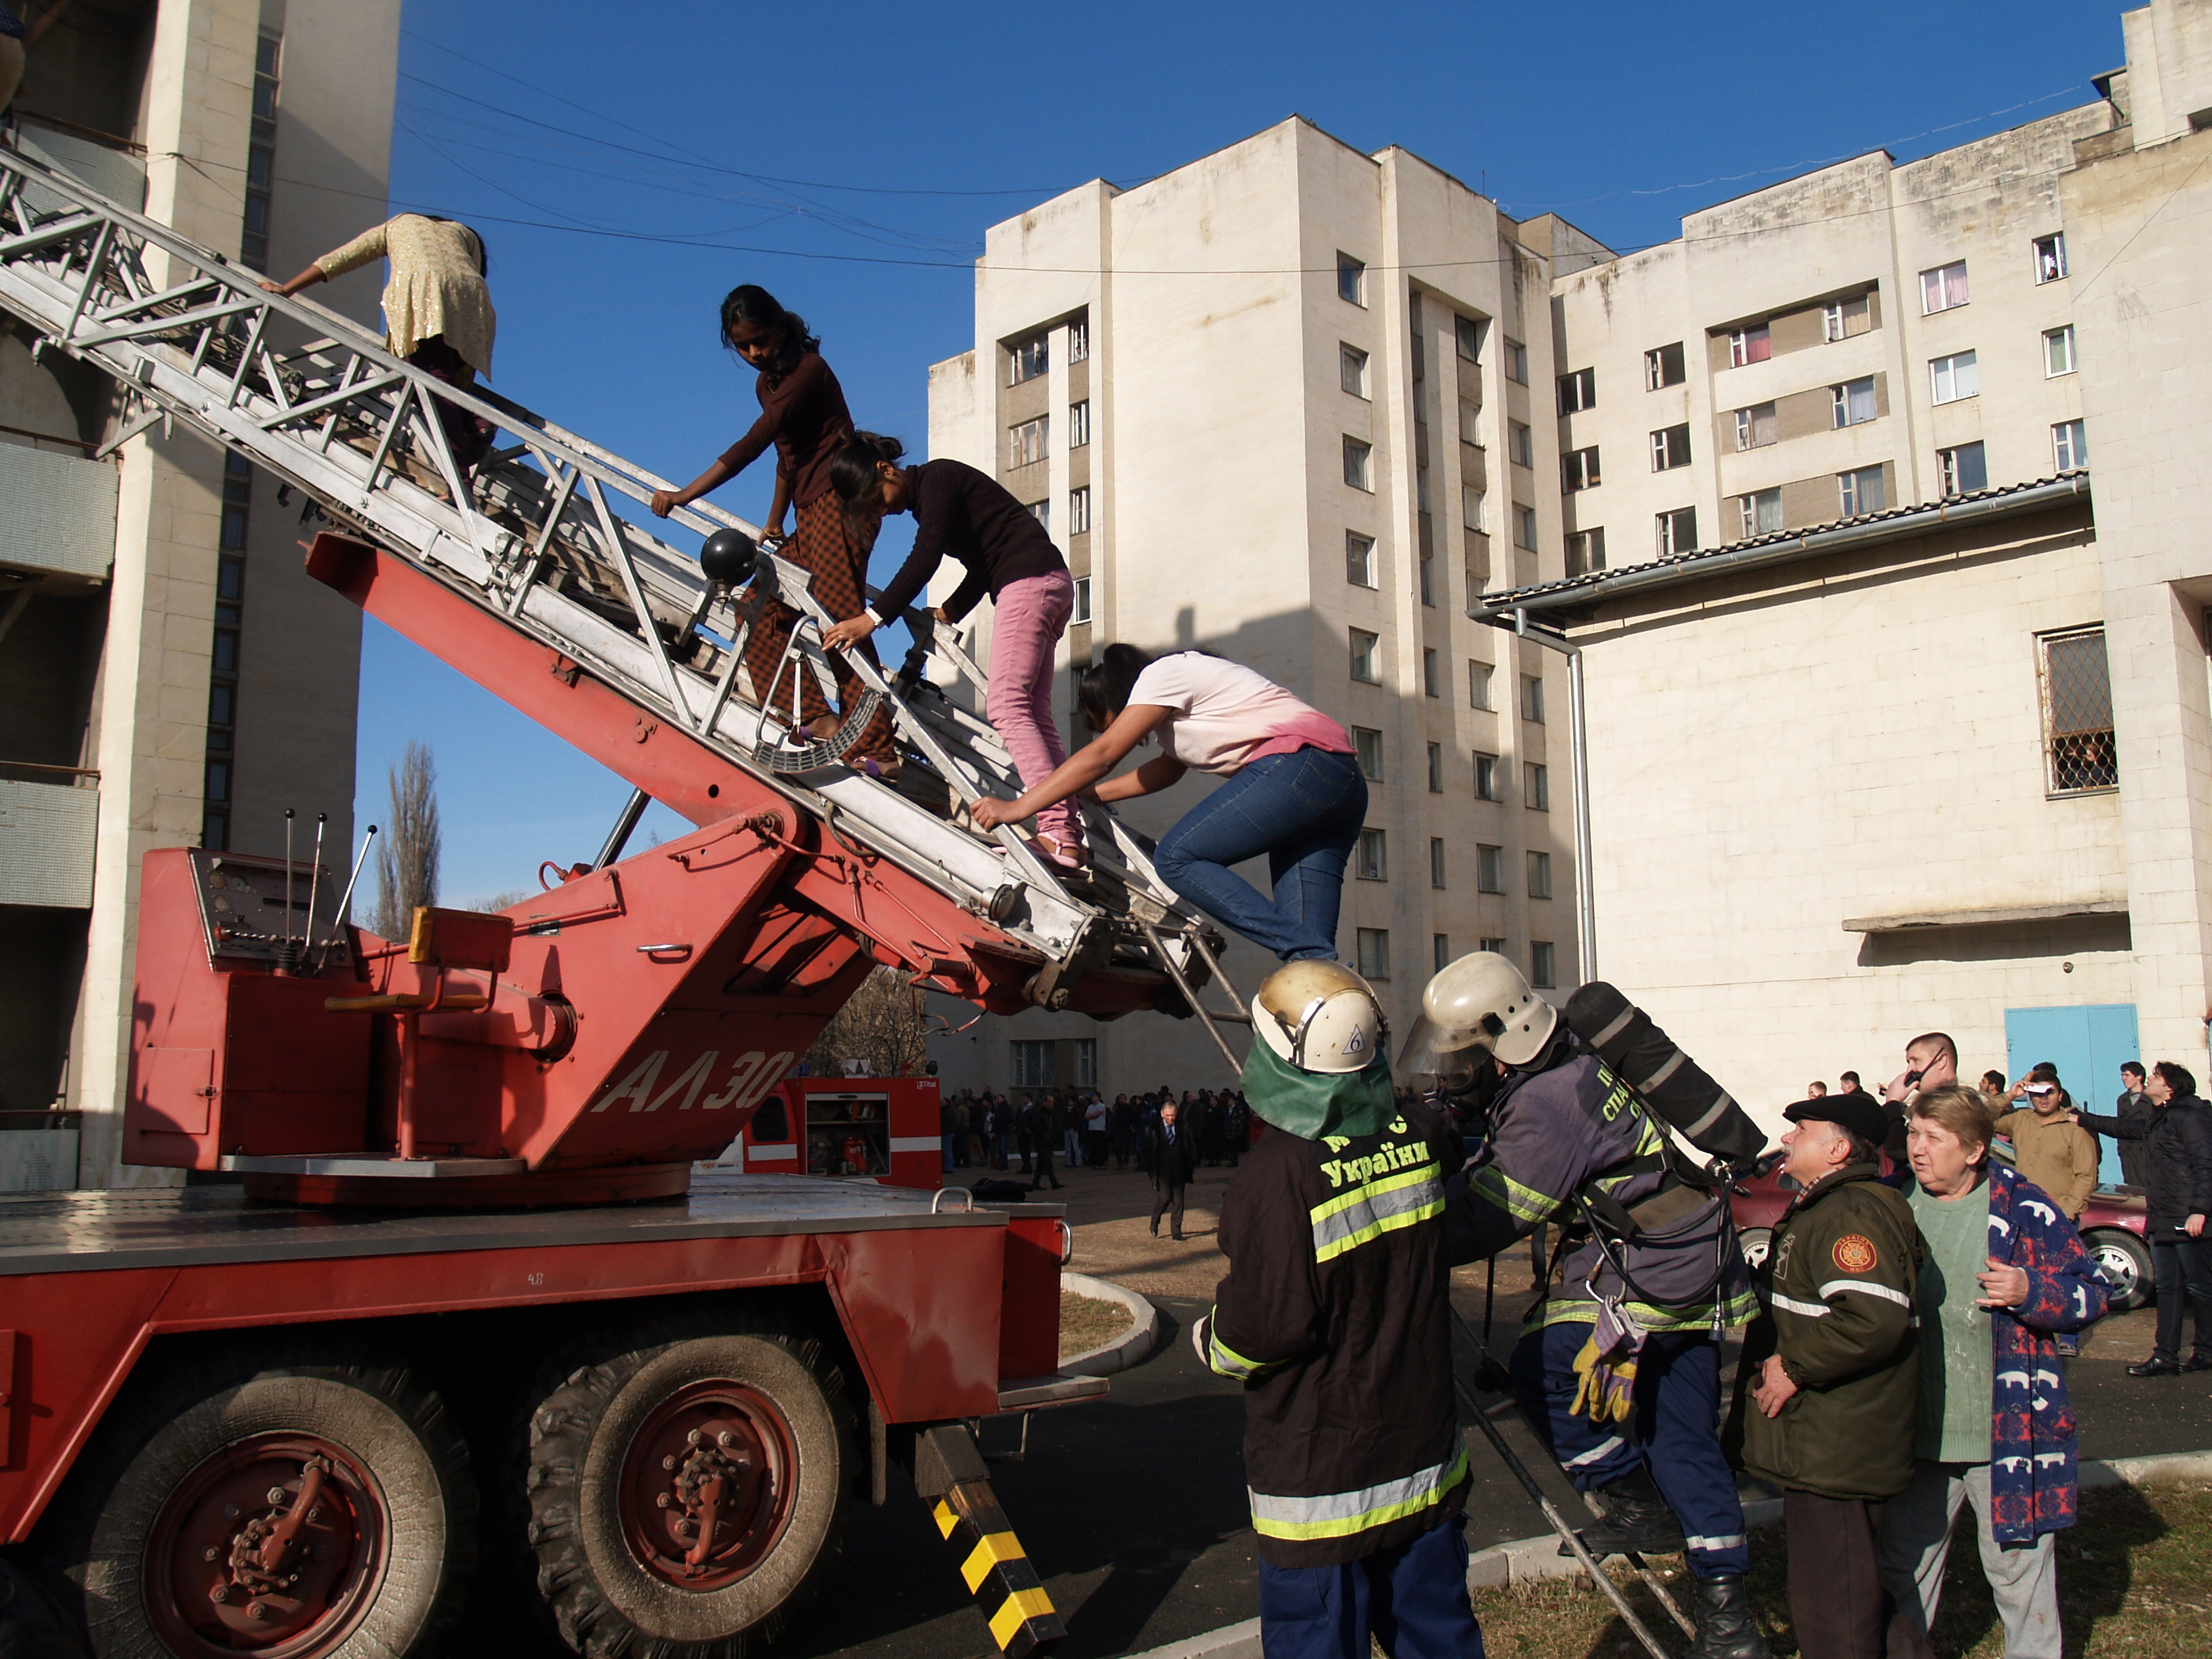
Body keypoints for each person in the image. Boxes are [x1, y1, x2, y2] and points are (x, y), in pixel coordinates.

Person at [1419, 952, 1767, 1659]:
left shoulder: (1546, 1101)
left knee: (1542, 1366)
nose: (1458, 1075)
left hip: (1646, 1269)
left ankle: (1630, 1497)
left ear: (1503, 1037)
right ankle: (1731, 1623)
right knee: (1683, 1438)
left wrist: (1403, 1222)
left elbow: (1490, 1215)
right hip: (1696, 1259)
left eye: (1467, 1057)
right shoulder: (1578, 1054)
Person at [1197, 962, 1482, 1659]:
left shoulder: (1277, 1176)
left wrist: (1209, 1342)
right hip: (1419, 1465)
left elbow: (1266, 1326)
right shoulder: (1415, 1138)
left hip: (1322, 1487)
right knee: (1440, 1642)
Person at [1877, 1086, 2108, 1659]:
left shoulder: (2021, 1207)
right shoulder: (1891, 1200)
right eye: (1913, 1135)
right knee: (1905, 1566)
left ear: (1976, 1149)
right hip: (1912, 1430)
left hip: (2003, 1435)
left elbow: (2092, 1292)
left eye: (1934, 1138)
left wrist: (2032, 1289)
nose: (1918, 1149)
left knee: (2017, 1573)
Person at [970, 644, 1365, 963]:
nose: (1116, 730)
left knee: (1177, 858)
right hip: (1338, 783)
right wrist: (1086, 795)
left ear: (1113, 698)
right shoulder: (1184, 707)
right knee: (1312, 967)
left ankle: (1308, 953)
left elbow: (1104, 755)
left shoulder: (1164, 674)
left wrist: (1018, 807)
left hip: (1301, 768)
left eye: (1107, 720)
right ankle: (1326, 990)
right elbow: (1164, 772)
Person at [649, 287, 896, 773]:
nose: (754, 353)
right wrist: (774, 519)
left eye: (759, 340)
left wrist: (684, 494)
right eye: (742, 347)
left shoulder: (808, 370)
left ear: (782, 328)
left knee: (841, 618)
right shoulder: (767, 385)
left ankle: (879, 749)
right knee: (756, 607)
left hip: (843, 501)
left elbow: (756, 443)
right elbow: (787, 458)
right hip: (810, 512)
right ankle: (816, 719)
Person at [821, 435, 1084, 872]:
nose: (883, 511)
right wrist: (948, 611)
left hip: (1028, 583)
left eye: (877, 500)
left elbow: (925, 557)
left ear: (886, 470)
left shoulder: (937, 478)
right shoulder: (934, 496)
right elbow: (982, 565)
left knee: (1005, 706)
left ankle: (1055, 832)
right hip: (1048, 582)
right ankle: (1067, 834)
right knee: (1033, 713)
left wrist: (871, 618)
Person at [1727, 1090, 1921, 1659]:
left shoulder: (1849, 1214)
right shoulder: (1825, 1207)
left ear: (1837, 1148)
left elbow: (1874, 1318)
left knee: (1834, 1610)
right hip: (1826, 1439)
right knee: (1856, 1596)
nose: (1786, 1139)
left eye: (1801, 1130)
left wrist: (1795, 1366)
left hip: (1835, 1445)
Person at [261, 215, 496, 474]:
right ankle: (475, 422)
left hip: (423, 291)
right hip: (475, 298)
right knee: (446, 376)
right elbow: (474, 271)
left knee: (432, 382)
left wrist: (287, 289)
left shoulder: (395, 225)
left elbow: (338, 260)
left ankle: (460, 476)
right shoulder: (463, 232)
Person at [2070, 1060, 2212, 1375]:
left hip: (2186, 1215)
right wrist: (2083, 1119)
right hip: (2161, 1215)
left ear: (2170, 1087)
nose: (2151, 1079)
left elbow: (2206, 1165)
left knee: (2200, 1287)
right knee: (2169, 1289)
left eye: (2157, 1077)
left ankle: (2205, 1350)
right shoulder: (2158, 1117)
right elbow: (2125, 1129)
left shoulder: (2190, 1117)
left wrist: (2199, 1211)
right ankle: (2165, 1356)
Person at [1880, 1031, 1959, 1170]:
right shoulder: (1933, 1102)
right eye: (1908, 1062)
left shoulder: (1955, 1105)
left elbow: (1900, 1150)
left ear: (1941, 1061)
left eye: (1916, 1061)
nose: (1910, 1069)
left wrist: (1892, 1102)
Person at [1149, 1101, 1199, 1240]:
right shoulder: (1155, 1129)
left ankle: (1176, 1231)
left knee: (1179, 1201)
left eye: (1173, 1115)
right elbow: (1149, 1150)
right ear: (1162, 1114)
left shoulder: (1182, 1127)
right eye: (1168, 1116)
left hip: (1179, 1169)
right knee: (1165, 1198)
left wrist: (1193, 1160)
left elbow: (1191, 1144)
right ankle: (1155, 1220)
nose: (1171, 1118)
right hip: (1163, 1171)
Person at [2111, 1063, 2154, 1188]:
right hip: (2129, 1154)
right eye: (2122, 1075)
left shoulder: (2151, 1097)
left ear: (2139, 1077)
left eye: (2127, 1075)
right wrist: (2122, 1151)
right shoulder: (2122, 1100)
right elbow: (2119, 1127)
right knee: (2133, 1189)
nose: (2123, 1079)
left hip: (2147, 1153)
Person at [1029, 1094, 1063, 1191]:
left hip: (1049, 1141)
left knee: (1041, 1162)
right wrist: (1045, 1136)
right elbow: (1036, 1127)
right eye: (1049, 1102)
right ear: (1044, 1102)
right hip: (1041, 1141)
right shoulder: (1039, 1113)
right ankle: (1054, 1182)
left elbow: (1054, 1126)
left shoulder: (1052, 1113)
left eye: (1052, 1102)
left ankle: (1035, 1182)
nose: (1051, 1104)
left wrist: (1053, 1136)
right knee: (1048, 1162)